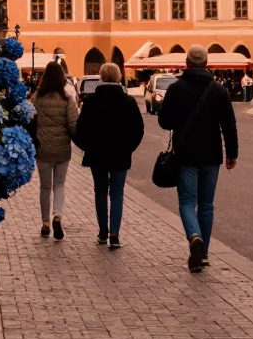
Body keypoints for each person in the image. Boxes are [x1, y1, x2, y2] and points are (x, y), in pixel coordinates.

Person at [158, 45, 238, 273]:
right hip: (211, 155)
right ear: (206, 63)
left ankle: (194, 237)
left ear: (186, 63)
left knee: (186, 201)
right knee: (206, 204)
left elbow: (164, 121)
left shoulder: (176, 89)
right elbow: (229, 125)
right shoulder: (218, 90)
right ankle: (203, 254)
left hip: (186, 154)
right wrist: (231, 153)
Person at [73, 62, 143, 250]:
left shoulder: (91, 101)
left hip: (97, 155)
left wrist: (88, 147)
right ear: (119, 77)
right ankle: (115, 234)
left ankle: (103, 232)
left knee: (101, 192)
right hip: (121, 154)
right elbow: (138, 130)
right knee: (118, 193)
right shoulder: (128, 101)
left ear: (101, 77)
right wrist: (129, 148)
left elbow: (80, 130)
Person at [32, 61, 79, 240]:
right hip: (62, 149)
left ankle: (45, 224)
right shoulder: (68, 99)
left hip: (43, 149)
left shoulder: (37, 98)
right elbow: (73, 125)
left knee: (45, 187)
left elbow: (31, 120)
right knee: (59, 184)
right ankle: (57, 215)